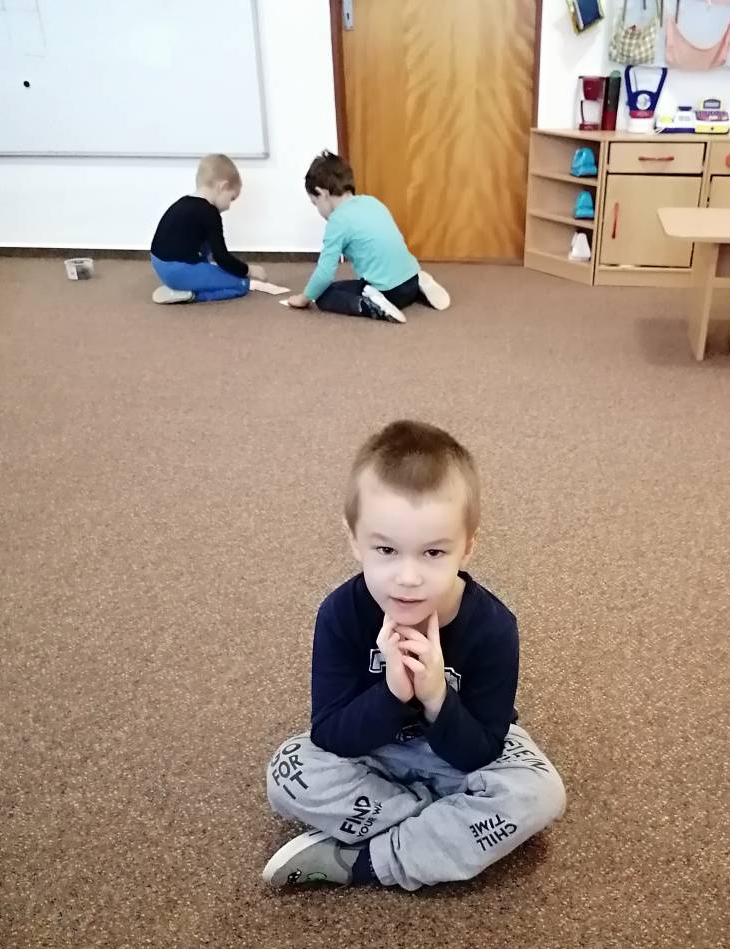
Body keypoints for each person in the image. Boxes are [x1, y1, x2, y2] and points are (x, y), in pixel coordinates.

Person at [262, 420, 566, 892]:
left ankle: (365, 861)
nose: (407, 578)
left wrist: (437, 697)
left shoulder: (494, 627)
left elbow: (482, 749)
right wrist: (390, 693)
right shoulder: (340, 613)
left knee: (541, 794)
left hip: (461, 754)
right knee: (288, 772)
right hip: (374, 754)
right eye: (386, 549)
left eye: (433, 553)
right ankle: (438, 828)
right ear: (354, 539)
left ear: (467, 546)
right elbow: (330, 734)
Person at [286, 151, 451, 324]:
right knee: (392, 278)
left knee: (324, 295)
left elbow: (324, 273)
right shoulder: (371, 202)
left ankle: (373, 305)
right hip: (411, 280)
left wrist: (304, 298)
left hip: (389, 293)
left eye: (315, 203)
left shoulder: (337, 221)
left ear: (322, 193)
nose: (318, 210)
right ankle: (419, 286)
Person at [150, 153, 266, 304]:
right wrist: (249, 270)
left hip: (160, 266)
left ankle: (185, 283)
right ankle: (190, 294)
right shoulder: (210, 213)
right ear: (222, 187)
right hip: (178, 271)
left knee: (204, 242)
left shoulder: (183, 202)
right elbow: (222, 257)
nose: (229, 206)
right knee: (242, 283)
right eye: (231, 198)